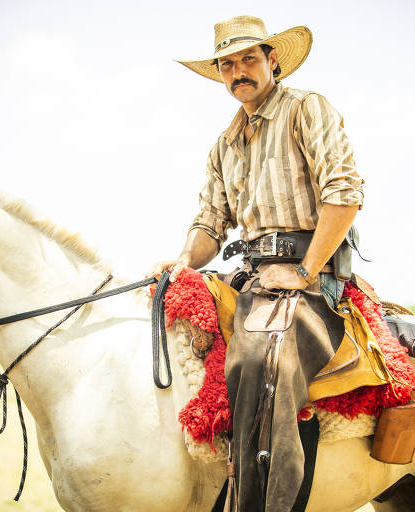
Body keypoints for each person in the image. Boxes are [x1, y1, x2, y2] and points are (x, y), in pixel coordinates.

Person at [150, 15, 364, 512]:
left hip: (313, 274)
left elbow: (345, 194)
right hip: (253, 277)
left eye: (249, 59)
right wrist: (183, 259)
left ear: (273, 61)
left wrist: (307, 271)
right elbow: (210, 223)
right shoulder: (224, 145)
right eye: (227, 64)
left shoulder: (306, 109)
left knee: (259, 360)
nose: (238, 71)